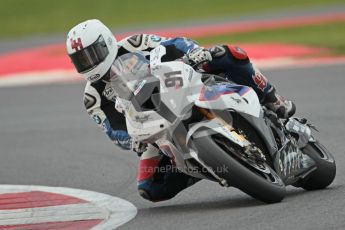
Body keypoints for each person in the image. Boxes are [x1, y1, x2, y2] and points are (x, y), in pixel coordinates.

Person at [66, 19, 295, 202]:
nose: (89, 63)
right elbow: (113, 130)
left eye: (92, 54)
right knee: (149, 188)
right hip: (154, 127)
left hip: (182, 85)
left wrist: (194, 52)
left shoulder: (134, 44)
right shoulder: (92, 97)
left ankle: (273, 99)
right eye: (81, 60)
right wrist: (132, 141)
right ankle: (212, 164)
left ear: (105, 41)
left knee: (226, 54)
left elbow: (173, 44)